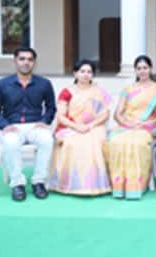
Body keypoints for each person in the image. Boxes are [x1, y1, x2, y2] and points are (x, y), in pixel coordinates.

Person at [0, 47, 56, 201]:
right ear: (15, 61)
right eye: (22, 59)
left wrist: (45, 121)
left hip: (35, 126)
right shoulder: (2, 84)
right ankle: (17, 184)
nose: (26, 63)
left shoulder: (44, 84)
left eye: (30, 60)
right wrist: (4, 125)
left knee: (47, 139)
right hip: (12, 126)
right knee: (11, 142)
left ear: (34, 63)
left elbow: (51, 107)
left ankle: (38, 181)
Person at [48, 60, 112, 196]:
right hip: (71, 126)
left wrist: (90, 125)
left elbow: (105, 114)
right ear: (75, 73)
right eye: (82, 71)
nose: (86, 75)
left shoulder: (99, 91)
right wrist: (77, 127)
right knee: (72, 143)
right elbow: (60, 116)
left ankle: (96, 186)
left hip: (95, 126)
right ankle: (69, 184)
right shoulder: (67, 92)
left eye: (89, 72)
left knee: (92, 143)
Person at [106, 55, 156, 200]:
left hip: (146, 127)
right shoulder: (128, 89)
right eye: (139, 68)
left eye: (145, 68)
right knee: (116, 142)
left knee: (136, 144)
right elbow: (117, 114)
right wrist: (128, 124)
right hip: (126, 126)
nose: (142, 71)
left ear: (150, 69)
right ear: (135, 71)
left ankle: (136, 186)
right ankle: (119, 187)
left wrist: (148, 123)